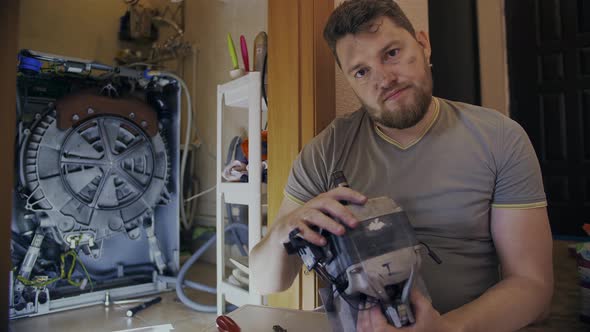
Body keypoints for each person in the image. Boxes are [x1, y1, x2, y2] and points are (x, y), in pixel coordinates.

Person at [250, 0, 554, 331]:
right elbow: (267, 282)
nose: (384, 79)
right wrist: (284, 229)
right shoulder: (325, 152)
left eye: (391, 53)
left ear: (423, 44)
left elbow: (532, 286)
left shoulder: (500, 139)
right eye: (361, 71)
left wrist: (445, 329)